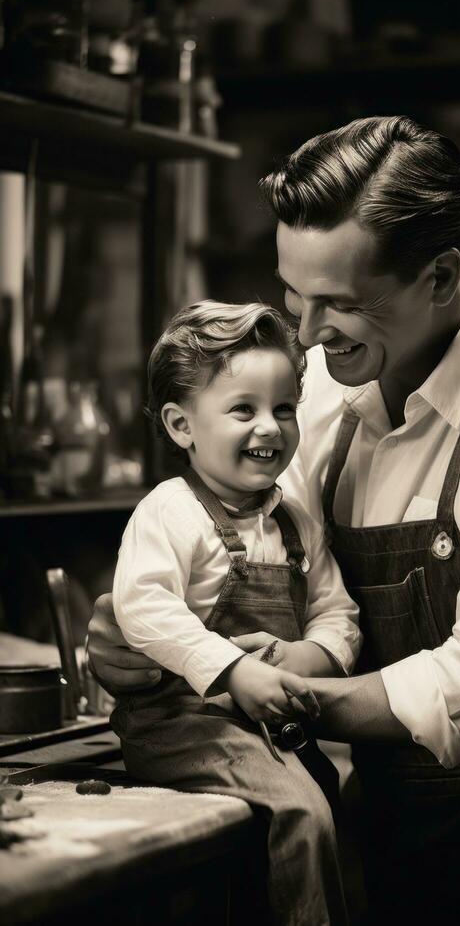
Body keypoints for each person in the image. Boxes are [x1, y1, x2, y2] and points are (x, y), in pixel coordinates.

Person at [88, 117, 460, 924]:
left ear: (439, 275)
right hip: (379, 821)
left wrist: (282, 692)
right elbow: (260, 541)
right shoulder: (330, 377)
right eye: (292, 294)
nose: (301, 337)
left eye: (335, 305)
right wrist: (143, 633)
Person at [108, 298, 361, 926]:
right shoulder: (171, 511)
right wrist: (233, 671)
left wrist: (306, 657)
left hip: (268, 728)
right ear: (180, 425)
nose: (271, 428)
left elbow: (339, 613)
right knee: (302, 813)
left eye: (284, 409)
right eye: (243, 410)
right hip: (181, 723)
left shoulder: (294, 521)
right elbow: (142, 606)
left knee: (340, 803)